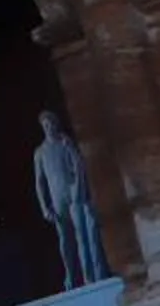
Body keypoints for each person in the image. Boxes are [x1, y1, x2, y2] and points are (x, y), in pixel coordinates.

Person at [31, 109, 108, 291]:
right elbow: (39, 182)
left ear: (56, 125)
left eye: (51, 124)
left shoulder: (66, 143)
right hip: (58, 200)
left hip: (73, 195)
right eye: (45, 125)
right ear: (43, 127)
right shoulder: (40, 152)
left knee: (82, 236)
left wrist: (70, 148)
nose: (49, 128)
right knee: (65, 240)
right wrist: (44, 207)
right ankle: (71, 276)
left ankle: (89, 276)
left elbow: (79, 165)